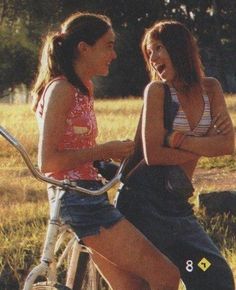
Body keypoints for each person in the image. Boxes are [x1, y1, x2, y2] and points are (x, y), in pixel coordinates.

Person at [31, 12, 181, 290]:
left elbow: (71, 146)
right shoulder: (62, 89)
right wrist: (103, 149)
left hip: (87, 194)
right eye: (108, 45)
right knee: (166, 276)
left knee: (133, 286)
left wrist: (103, 154)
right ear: (83, 48)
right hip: (78, 200)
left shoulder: (82, 88)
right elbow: (48, 161)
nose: (113, 55)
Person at [116, 20, 235, 290]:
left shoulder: (211, 88)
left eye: (159, 48)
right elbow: (154, 154)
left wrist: (176, 139)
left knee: (212, 272)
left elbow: (228, 146)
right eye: (149, 52)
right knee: (158, 278)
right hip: (143, 205)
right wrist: (205, 144)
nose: (153, 57)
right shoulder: (157, 92)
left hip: (177, 204)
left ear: (179, 48)